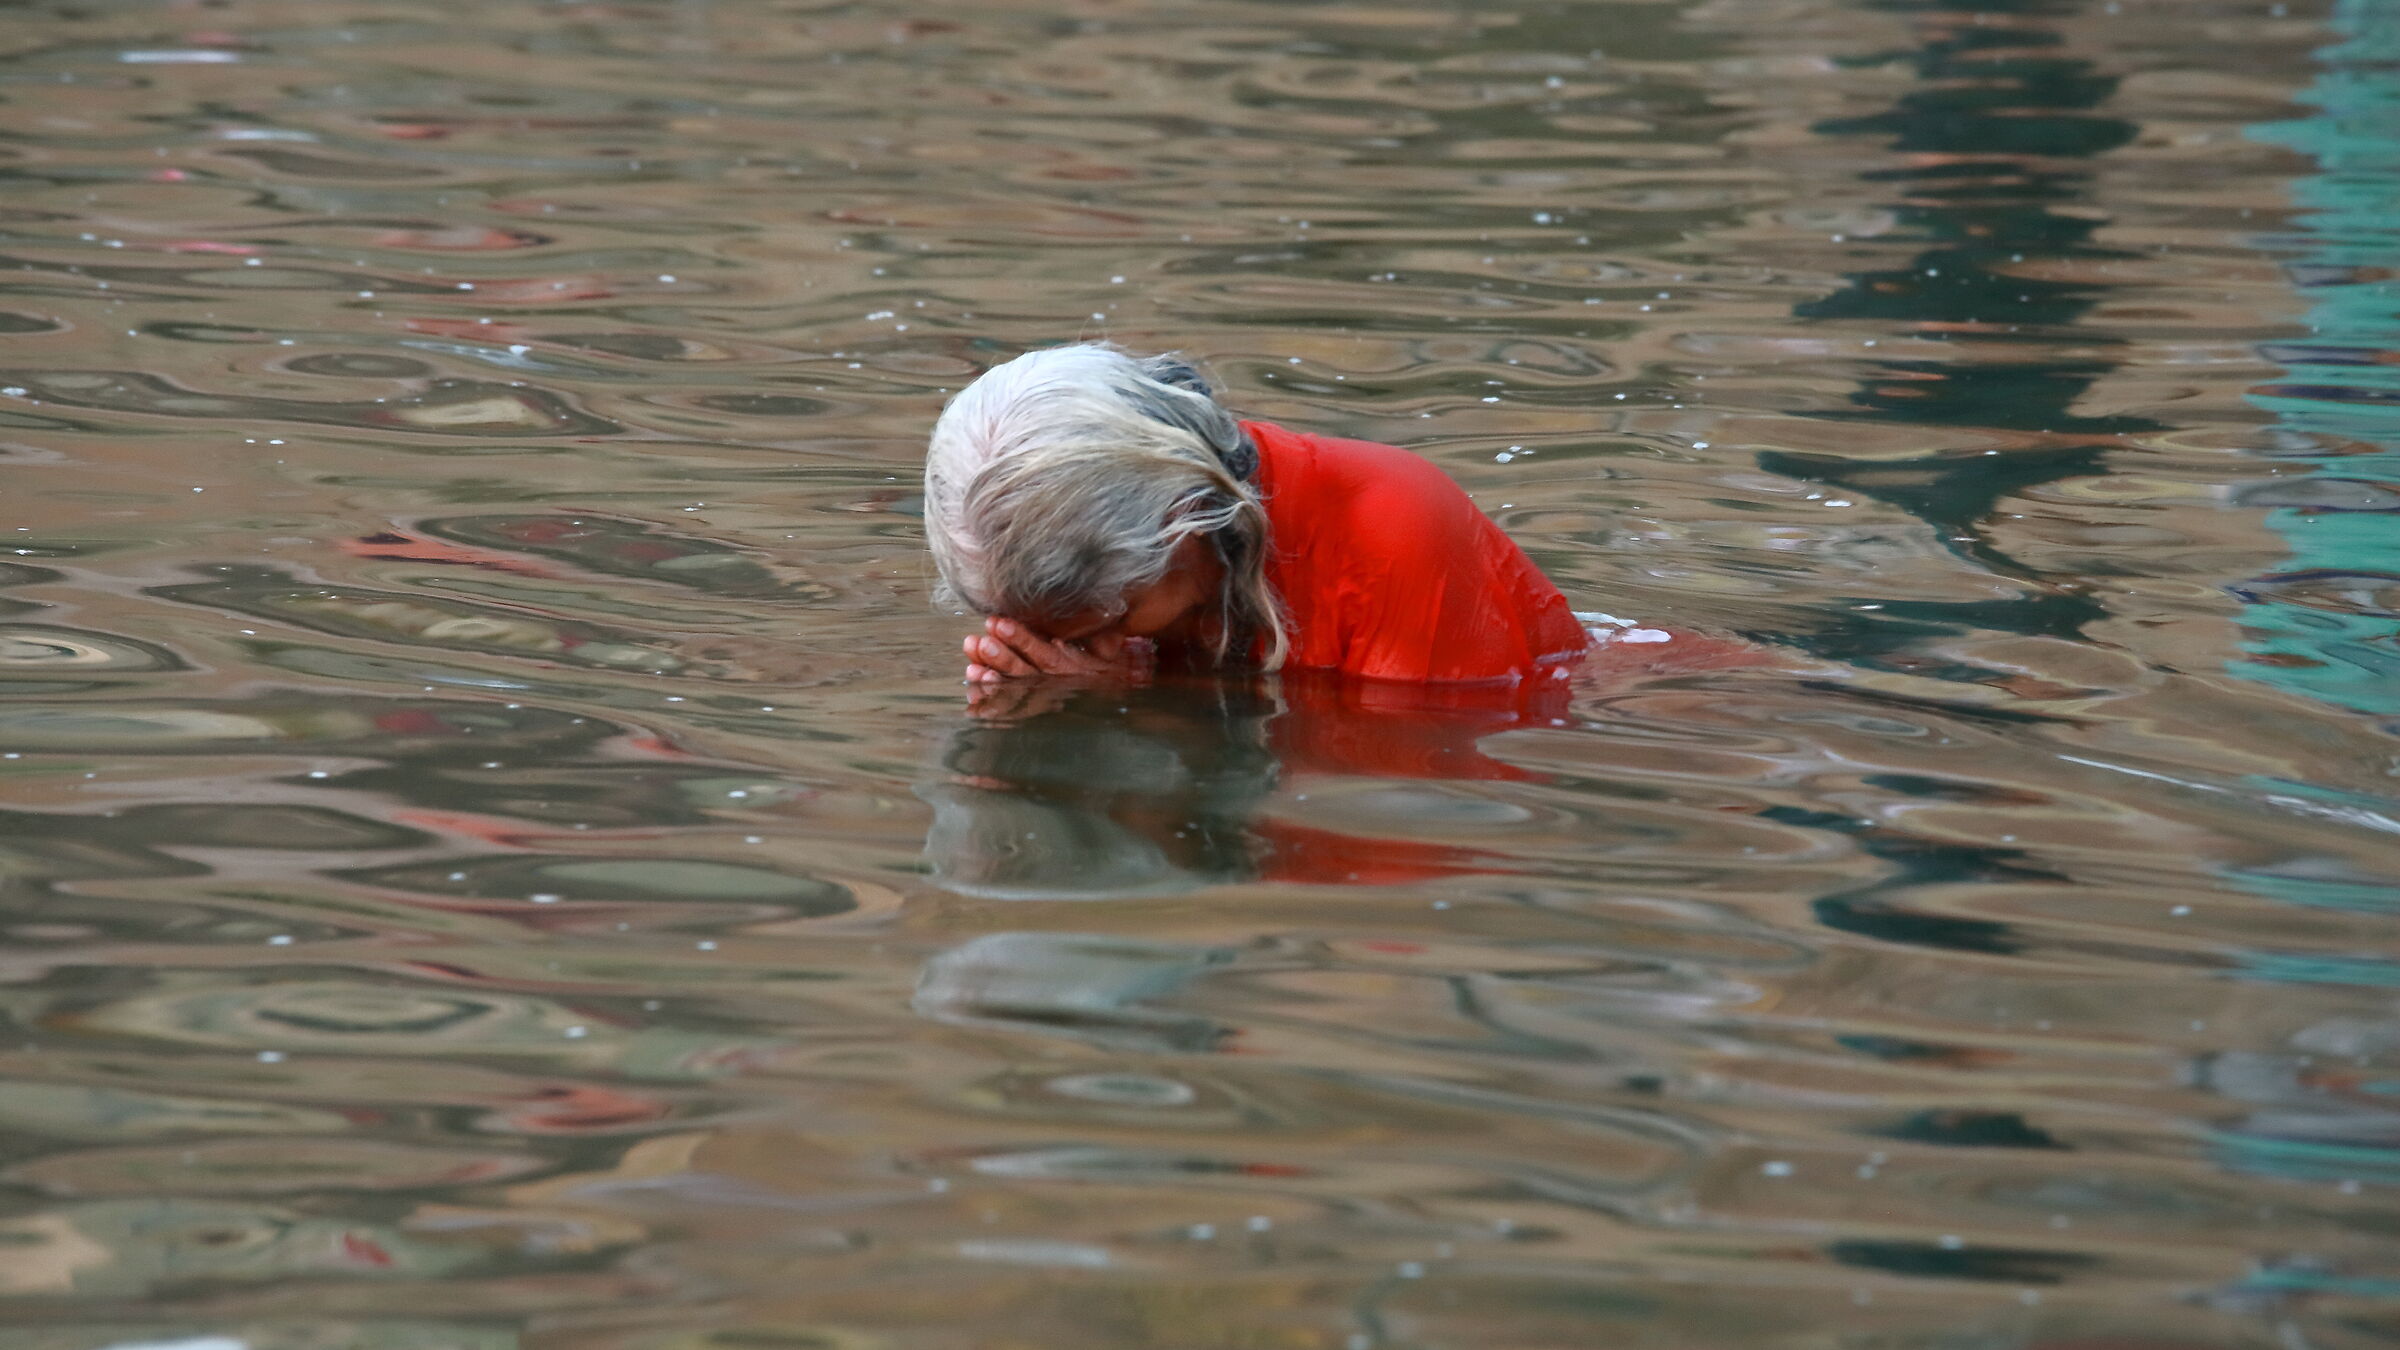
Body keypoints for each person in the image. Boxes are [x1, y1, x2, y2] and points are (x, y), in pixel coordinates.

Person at [923, 343, 1595, 687]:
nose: (1090, 649)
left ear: (1188, 517)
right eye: (1053, 638)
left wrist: (1127, 705)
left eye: (1115, 623)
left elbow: (1414, 781)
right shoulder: (1150, 566)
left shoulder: (1396, 531)